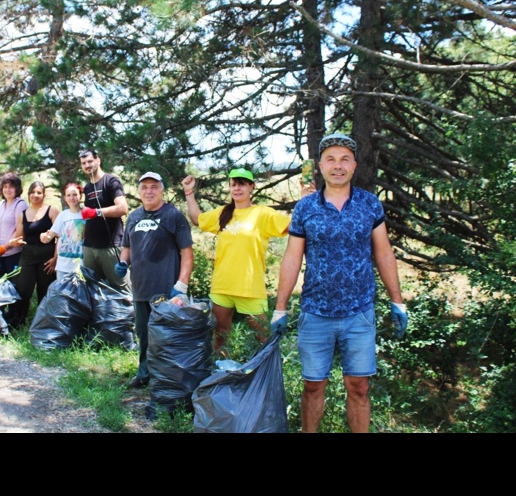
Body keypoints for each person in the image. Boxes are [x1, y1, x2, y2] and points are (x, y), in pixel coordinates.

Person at [272, 133, 407, 433]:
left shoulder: (370, 205)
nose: (338, 166)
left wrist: (397, 300)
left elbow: (384, 253)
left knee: (358, 386)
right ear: (320, 165)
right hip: (315, 312)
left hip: (358, 312)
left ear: (354, 166)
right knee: (312, 386)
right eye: (331, 159)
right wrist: (280, 308)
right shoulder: (305, 208)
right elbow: (292, 259)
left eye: (344, 159)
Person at [182, 168, 291, 357]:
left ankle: (264, 378)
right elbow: (197, 220)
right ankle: (221, 374)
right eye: (233, 185)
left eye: (241, 184)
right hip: (222, 287)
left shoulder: (262, 214)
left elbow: (292, 225)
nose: (237, 189)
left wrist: (308, 198)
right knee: (221, 336)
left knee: (262, 337)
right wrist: (189, 193)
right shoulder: (223, 213)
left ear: (251, 187)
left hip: (250, 288)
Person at [117, 172, 193, 389]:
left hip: (167, 291)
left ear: (162, 190)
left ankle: (167, 378)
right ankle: (144, 373)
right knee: (143, 333)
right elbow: (127, 247)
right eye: (144, 187)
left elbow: (187, 252)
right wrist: (123, 263)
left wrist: (181, 285)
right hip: (140, 288)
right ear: (139, 192)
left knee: (167, 335)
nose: (149, 191)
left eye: (154, 187)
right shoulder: (133, 217)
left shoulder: (174, 216)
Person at [7, 181, 59, 329]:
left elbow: (60, 237)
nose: (35, 195)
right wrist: (11, 243)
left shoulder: (52, 211)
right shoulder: (22, 215)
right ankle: (19, 321)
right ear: (28, 194)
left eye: (39, 192)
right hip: (28, 255)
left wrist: (55, 258)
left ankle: (45, 323)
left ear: (43, 195)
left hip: (47, 255)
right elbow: (19, 237)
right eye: (33, 192)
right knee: (23, 289)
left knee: (45, 290)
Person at [78, 149, 130, 292]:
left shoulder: (111, 181)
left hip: (110, 246)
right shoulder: (87, 187)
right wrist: (81, 240)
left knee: (121, 288)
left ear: (98, 160)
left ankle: (129, 315)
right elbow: (88, 217)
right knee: (93, 289)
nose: (87, 165)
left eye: (90, 161)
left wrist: (97, 212)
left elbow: (123, 208)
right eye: (84, 163)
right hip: (89, 247)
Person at [40, 182, 85, 280]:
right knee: (63, 294)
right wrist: (44, 236)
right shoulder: (62, 215)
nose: (72, 198)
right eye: (68, 195)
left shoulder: (86, 214)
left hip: (82, 265)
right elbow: (50, 236)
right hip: (64, 265)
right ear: (64, 198)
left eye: (74, 194)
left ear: (80, 196)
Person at [0, 172, 28, 276]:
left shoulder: (20, 204)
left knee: (11, 284)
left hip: (12, 253)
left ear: (17, 188)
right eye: (5, 186)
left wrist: (5, 247)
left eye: (11, 187)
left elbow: (19, 231)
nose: (8, 190)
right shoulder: (2, 203)